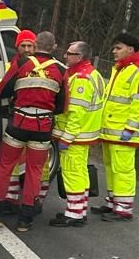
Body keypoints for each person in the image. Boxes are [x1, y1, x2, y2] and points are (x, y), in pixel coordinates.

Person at [0, 28, 64, 233]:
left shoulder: (21, 63)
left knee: (5, 166)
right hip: (43, 127)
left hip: (18, 123)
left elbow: (3, 89)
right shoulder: (61, 70)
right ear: (54, 47)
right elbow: (63, 106)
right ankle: (25, 220)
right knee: (34, 171)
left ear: (35, 45)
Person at [50, 40, 105, 226]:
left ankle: (73, 214)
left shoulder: (80, 78)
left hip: (75, 137)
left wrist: (66, 138)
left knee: (72, 173)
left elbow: (76, 112)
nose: (65, 56)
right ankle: (79, 210)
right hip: (84, 135)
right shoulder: (93, 74)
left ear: (79, 57)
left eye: (69, 53)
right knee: (80, 173)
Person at [93, 30, 139, 220]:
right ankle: (112, 202)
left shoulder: (135, 71)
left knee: (123, 169)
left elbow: (137, 103)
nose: (114, 51)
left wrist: (131, 128)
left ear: (130, 49)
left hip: (124, 131)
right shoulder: (120, 68)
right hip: (111, 130)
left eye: (118, 48)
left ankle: (124, 208)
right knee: (111, 167)